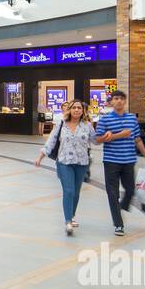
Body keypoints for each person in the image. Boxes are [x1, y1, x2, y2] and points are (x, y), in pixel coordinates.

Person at [93, 90, 145, 237]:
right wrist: (117, 135)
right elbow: (96, 140)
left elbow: (137, 139)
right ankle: (118, 224)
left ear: (125, 101)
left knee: (131, 190)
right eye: (116, 99)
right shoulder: (105, 119)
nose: (119, 101)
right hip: (111, 161)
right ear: (111, 102)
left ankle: (122, 206)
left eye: (121, 99)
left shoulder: (132, 119)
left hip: (128, 161)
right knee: (112, 193)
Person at [35, 99, 93, 236]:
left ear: (83, 110)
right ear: (70, 110)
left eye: (79, 108)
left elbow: (96, 140)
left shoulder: (87, 126)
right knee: (69, 191)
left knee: (76, 192)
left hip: (81, 163)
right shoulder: (61, 124)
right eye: (74, 107)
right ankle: (68, 221)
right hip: (64, 162)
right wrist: (40, 157)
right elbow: (51, 141)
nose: (77, 110)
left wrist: (109, 136)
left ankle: (72, 216)